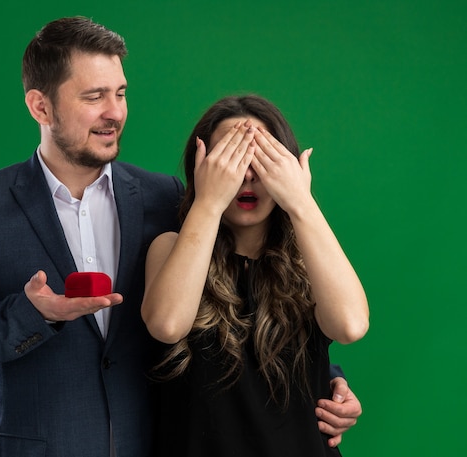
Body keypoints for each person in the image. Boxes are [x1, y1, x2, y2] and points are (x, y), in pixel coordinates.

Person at [0, 17, 362, 457]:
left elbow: (232, 304)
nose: (115, 111)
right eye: (94, 96)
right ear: (41, 107)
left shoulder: (163, 197)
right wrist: (32, 314)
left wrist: (326, 377)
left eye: (120, 93)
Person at [141, 94, 369, 456]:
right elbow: (167, 324)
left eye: (262, 158)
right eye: (231, 159)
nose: (247, 175)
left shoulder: (309, 257)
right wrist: (209, 200)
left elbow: (350, 325)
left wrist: (300, 200)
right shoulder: (169, 248)